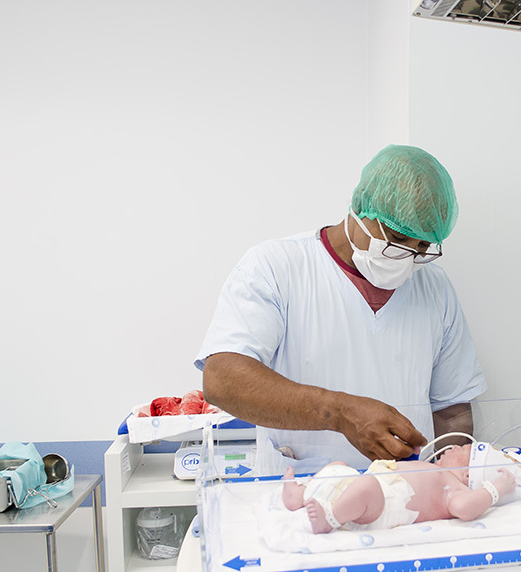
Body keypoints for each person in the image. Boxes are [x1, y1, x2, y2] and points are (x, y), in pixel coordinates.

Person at [195, 145, 486, 470]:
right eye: (396, 238)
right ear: (361, 210)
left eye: (421, 246)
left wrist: (450, 481)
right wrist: (340, 412)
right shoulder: (276, 267)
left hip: (406, 500)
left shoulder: (434, 288)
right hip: (297, 499)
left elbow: (453, 408)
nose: (407, 256)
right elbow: (222, 379)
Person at [281, 444, 516, 534]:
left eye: (462, 450)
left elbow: (465, 509)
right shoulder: (434, 469)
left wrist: (495, 491)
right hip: (370, 485)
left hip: (382, 507)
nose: (452, 446)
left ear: (468, 473)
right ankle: (299, 495)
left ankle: (329, 520)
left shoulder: (454, 488)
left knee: (366, 487)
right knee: (339, 467)